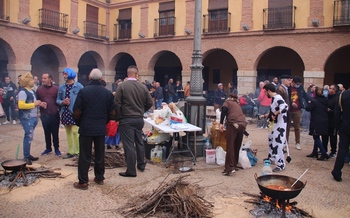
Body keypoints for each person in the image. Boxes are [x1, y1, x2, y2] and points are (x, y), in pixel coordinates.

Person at [72, 68, 115, 190]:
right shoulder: (107, 93)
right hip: (100, 127)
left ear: (90, 78)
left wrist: (80, 123)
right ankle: (100, 177)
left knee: (85, 155)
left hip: (86, 127)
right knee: (100, 153)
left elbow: (76, 111)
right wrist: (104, 121)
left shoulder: (83, 92)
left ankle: (83, 182)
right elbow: (112, 113)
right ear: (101, 79)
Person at [114, 65, 153, 177]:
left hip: (126, 119)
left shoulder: (122, 86)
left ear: (128, 74)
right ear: (136, 75)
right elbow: (150, 103)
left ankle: (131, 170)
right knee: (139, 142)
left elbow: (117, 104)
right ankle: (141, 164)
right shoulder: (143, 87)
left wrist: (117, 118)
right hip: (139, 119)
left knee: (129, 145)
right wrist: (142, 110)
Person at [18, 72, 45, 165]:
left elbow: (35, 102)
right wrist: (35, 104)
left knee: (30, 136)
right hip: (27, 118)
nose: (33, 81)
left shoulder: (32, 91)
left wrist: (40, 104)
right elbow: (21, 105)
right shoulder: (22, 92)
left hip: (33, 117)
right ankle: (26, 156)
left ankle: (28, 154)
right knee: (28, 136)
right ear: (27, 81)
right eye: (31, 79)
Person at [260, 83, 289, 172]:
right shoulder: (273, 99)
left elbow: (285, 107)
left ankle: (281, 164)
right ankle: (272, 158)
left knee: (277, 144)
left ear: (269, 91)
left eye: (265, 92)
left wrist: (275, 114)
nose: (265, 94)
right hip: (273, 125)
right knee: (271, 141)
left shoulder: (278, 98)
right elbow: (273, 111)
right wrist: (265, 116)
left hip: (279, 126)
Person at [56, 68, 83, 159]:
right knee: (68, 132)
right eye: (63, 74)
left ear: (70, 74)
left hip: (75, 112)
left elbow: (83, 98)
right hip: (65, 111)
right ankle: (71, 151)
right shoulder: (61, 87)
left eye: (65, 74)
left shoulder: (79, 86)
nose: (64, 75)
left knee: (75, 131)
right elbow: (58, 99)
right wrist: (62, 102)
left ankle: (78, 152)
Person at [219, 94, 247, 175]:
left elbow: (224, 110)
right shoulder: (237, 105)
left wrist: (221, 123)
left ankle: (229, 168)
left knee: (230, 146)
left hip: (233, 124)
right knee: (236, 146)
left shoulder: (227, 102)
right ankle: (234, 164)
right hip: (242, 126)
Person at [36, 73, 61, 156]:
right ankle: (48, 148)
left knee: (55, 132)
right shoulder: (39, 90)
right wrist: (40, 104)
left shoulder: (56, 89)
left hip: (54, 114)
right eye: (42, 78)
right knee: (46, 132)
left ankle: (57, 148)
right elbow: (37, 101)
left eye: (45, 78)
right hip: (44, 115)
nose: (43, 80)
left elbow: (59, 101)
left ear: (50, 79)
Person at [305, 86, 329, 161]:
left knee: (316, 136)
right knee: (317, 135)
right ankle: (315, 152)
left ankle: (324, 152)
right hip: (325, 119)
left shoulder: (314, 101)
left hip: (316, 120)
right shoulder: (326, 100)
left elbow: (308, 108)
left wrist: (309, 103)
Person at [331, 89, 350, 182]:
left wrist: (338, 125)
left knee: (342, 149)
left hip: (345, 126)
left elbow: (337, 112)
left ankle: (337, 171)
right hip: (345, 126)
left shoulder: (343, 94)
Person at [288, 76, 310, 150]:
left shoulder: (300, 88)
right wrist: (291, 103)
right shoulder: (288, 88)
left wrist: (309, 100)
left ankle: (297, 142)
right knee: (287, 127)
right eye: (297, 83)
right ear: (293, 82)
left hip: (297, 109)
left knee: (297, 127)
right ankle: (285, 142)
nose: (298, 85)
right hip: (289, 109)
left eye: (299, 84)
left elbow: (305, 95)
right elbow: (286, 97)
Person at [323, 84, 339, 158]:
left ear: (335, 90)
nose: (329, 90)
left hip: (333, 121)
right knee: (324, 135)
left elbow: (337, 110)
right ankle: (324, 149)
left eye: (331, 88)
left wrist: (330, 111)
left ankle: (333, 151)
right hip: (326, 120)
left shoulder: (337, 98)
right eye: (329, 88)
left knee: (333, 137)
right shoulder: (327, 97)